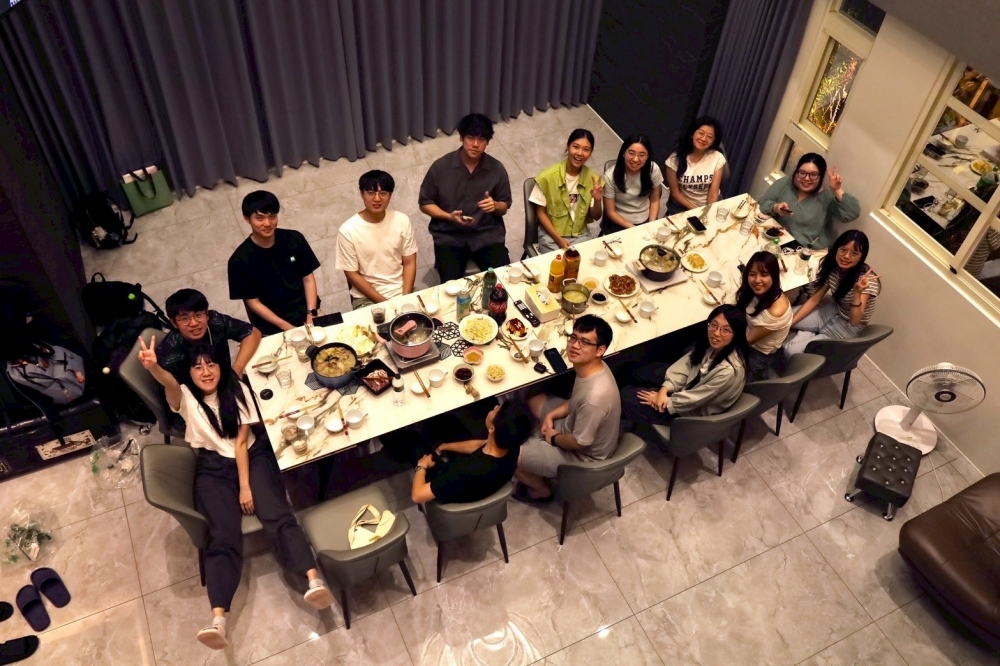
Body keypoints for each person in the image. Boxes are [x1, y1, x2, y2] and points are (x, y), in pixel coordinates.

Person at [136, 339, 333, 651]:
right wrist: (154, 367)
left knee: (277, 515)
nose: (206, 372)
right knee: (222, 536)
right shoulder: (184, 397)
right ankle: (218, 620)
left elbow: (241, 443)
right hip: (212, 468)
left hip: (252, 457)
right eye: (197, 367)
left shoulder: (237, 389)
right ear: (190, 372)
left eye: (211, 364)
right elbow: (169, 383)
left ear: (221, 366)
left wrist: (245, 487)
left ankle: (313, 580)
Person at [513, 315, 620, 502]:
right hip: (573, 427)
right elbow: (574, 402)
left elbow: (579, 442)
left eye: (584, 342)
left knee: (507, 454)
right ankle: (538, 447)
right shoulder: (592, 368)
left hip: (582, 458)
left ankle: (541, 491)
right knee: (532, 399)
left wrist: (553, 437)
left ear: (600, 350)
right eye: (574, 338)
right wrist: (551, 415)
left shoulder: (595, 398)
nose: (575, 345)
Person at [418, 113, 512, 281]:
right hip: (450, 236)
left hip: (486, 234)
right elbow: (425, 203)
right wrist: (448, 216)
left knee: (503, 278)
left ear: (487, 142)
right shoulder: (441, 167)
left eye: (481, 139)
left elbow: (505, 205)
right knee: (450, 286)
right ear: (461, 138)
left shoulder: (497, 169)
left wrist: (496, 206)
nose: (475, 144)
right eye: (470, 138)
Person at [621, 305, 748, 426]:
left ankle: (626, 414)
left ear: (736, 334)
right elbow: (687, 365)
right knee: (631, 370)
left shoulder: (728, 371)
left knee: (626, 396)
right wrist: (664, 389)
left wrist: (662, 399)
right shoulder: (713, 345)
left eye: (725, 330)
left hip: (689, 411)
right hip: (687, 385)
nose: (716, 333)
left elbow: (696, 399)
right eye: (714, 325)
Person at [228, 191, 321, 336]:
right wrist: (288, 328)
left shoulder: (294, 239)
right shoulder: (239, 261)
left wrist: (311, 315)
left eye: (272, 216)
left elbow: (308, 279)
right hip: (272, 327)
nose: (267, 223)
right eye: (259, 218)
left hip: (309, 313)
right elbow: (253, 303)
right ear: (247, 219)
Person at [410, 401, 533, 505]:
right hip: (479, 480)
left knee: (411, 439)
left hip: (455, 488)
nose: (495, 406)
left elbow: (417, 495)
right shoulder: (513, 446)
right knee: (449, 421)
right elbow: (480, 445)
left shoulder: (463, 471)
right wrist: (445, 446)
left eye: (497, 409)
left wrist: (422, 466)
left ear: (492, 428)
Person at [784, 230, 880, 357]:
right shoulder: (834, 268)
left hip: (847, 327)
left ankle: (808, 334)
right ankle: (809, 332)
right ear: (836, 249)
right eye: (843, 250)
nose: (846, 256)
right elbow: (815, 299)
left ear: (861, 257)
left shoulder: (866, 281)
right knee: (783, 319)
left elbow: (855, 321)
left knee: (790, 352)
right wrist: (789, 323)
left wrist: (857, 293)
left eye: (854, 253)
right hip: (833, 310)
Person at [336, 170, 417, 309]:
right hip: (367, 299)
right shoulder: (348, 230)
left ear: (390, 195)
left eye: (383, 193)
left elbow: (409, 263)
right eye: (371, 193)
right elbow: (351, 274)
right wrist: (388, 304)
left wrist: (405, 298)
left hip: (402, 291)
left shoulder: (402, 220)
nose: (377, 199)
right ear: (362, 194)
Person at [759, 153, 860, 250]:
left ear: (821, 176)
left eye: (813, 175)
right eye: (802, 173)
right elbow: (762, 204)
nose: (806, 178)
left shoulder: (826, 198)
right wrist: (776, 208)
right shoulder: (786, 183)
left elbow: (852, 213)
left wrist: (836, 190)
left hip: (801, 249)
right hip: (774, 238)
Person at [156, 289, 261, 382]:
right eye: (185, 319)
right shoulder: (168, 358)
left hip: (227, 379)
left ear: (206, 314)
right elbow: (177, 394)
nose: (194, 323)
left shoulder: (215, 321)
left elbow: (253, 333)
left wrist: (237, 369)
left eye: (198, 315)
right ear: (174, 323)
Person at [531, 129, 604, 253]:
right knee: (563, 263)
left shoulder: (593, 180)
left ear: (590, 153)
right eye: (576, 147)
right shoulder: (547, 177)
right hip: (552, 235)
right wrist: (559, 239)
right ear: (567, 147)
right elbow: (540, 213)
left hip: (580, 234)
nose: (580, 153)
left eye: (586, 149)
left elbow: (596, 217)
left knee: (590, 260)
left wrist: (597, 200)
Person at [735, 252, 792, 381]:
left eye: (764, 274)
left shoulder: (776, 312)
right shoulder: (756, 291)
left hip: (758, 352)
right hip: (747, 330)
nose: (757, 280)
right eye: (752, 274)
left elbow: (747, 341)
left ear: (774, 276)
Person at [600, 133, 663, 235]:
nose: (635, 159)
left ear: (647, 156)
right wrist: (634, 229)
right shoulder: (610, 176)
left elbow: (655, 200)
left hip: (645, 218)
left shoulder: (653, 169)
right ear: (623, 153)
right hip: (619, 221)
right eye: (631, 153)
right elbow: (611, 211)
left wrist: (651, 225)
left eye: (642, 155)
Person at [665, 117, 727, 215]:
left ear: (713, 141)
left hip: (710, 204)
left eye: (709, 137)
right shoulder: (674, 160)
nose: (703, 139)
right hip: (684, 205)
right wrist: (698, 211)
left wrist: (709, 212)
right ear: (692, 133)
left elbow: (713, 192)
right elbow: (675, 194)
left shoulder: (717, 157)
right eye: (701, 133)